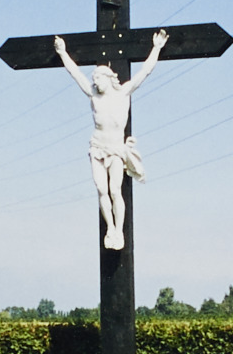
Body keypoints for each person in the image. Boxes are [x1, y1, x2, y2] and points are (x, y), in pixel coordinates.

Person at [53, 30, 168, 249]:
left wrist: (157, 48)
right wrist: (62, 52)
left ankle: (119, 230)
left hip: (115, 147)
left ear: (108, 78)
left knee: (115, 190)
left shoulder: (123, 93)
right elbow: (75, 73)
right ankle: (110, 228)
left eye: (98, 78)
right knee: (101, 190)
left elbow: (145, 71)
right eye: (94, 79)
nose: (95, 81)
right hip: (97, 146)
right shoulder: (93, 95)